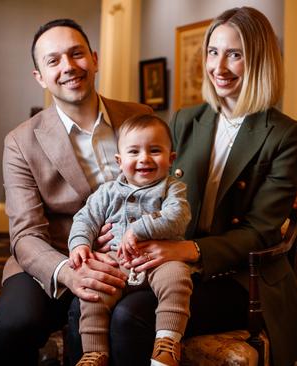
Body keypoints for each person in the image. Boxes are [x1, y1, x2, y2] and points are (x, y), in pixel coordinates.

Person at [0, 15, 297, 366]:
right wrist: (71, 264)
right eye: (213, 52)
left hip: (174, 260)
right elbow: (25, 234)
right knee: (19, 323)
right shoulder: (21, 140)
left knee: (126, 314)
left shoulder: (138, 117)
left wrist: (279, 202)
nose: (219, 66)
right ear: (39, 76)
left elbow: (172, 182)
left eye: (235, 54)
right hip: (67, 256)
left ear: (95, 59)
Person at [68, 114, 192, 366]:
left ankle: (167, 343)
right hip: (117, 262)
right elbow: (85, 219)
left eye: (154, 150)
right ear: (119, 161)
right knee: (93, 291)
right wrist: (80, 242)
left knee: (178, 278)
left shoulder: (173, 188)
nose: (144, 158)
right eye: (134, 152)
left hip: (160, 258)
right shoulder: (108, 192)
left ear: (170, 159)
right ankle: (94, 352)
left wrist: (138, 229)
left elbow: (178, 216)